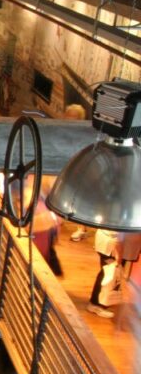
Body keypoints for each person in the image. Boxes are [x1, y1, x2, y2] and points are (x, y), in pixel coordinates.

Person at [88, 229, 141, 318]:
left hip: (113, 244)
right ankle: (95, 304)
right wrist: (118, 257)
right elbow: (118, 237)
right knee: (107, 275)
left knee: (107, 275)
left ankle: (98, 299)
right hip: (112, 247)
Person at [63, 104, 90, 241]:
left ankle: (81, 229)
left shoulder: (85, 133)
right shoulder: (62, 130)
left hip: (79, 171)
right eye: (67, 116)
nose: (69, 120)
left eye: (73, 117)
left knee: (78, 201)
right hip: (65, 168)